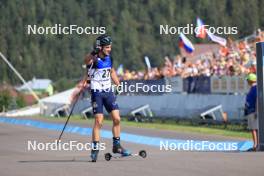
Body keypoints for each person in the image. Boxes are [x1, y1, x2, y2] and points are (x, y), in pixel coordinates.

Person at [84, 34, 131, 162]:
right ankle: (95, 149)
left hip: (108, 92)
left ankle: (117, 146)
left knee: (117, 118)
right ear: (101, 47)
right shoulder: (93, 59)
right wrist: (94, 52)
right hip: (97, 93)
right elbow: (86, 61)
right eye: (107, 47)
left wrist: (118, 84)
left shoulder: (110, 58)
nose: (110, 49)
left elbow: (112, 71)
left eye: (110, 47)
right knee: (99, 120)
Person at [244, 73, 258, 151]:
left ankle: (255, 145)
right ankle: (256, 144)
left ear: (251, 80)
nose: (247, 82)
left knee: (254, 129)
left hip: (253, 111)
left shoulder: (255, 88)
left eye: (248, 80)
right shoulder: (253, 88)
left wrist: (256, 111)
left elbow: (257, 100)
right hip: (250, 110)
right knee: (253, 128)